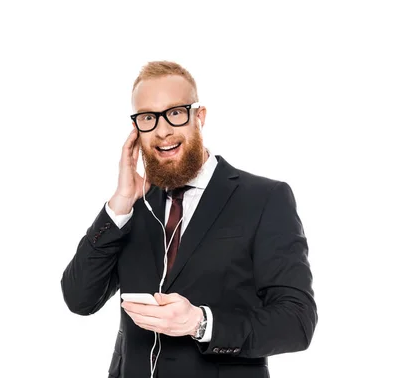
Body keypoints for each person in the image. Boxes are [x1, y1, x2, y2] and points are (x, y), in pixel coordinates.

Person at [60, 61, 317, 378]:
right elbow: (79, 298)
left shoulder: (264, 199)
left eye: (175, 113)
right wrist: (119, 204)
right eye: (148, 118)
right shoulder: (133, 207)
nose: (162, 129)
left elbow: (297, 322)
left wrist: (201, 323)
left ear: (200, 117)